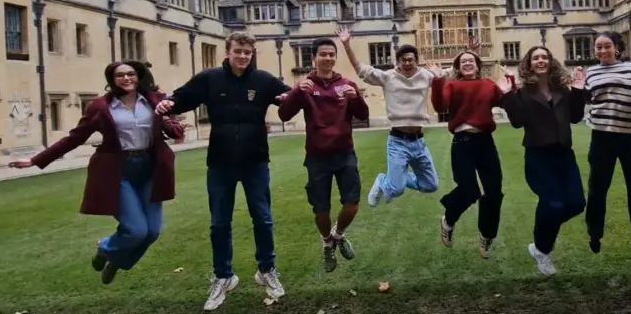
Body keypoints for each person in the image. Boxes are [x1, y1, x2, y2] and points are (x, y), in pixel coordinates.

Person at [9, 61, 184, 285]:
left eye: (131, 74)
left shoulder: (155, 100)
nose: (126, 78)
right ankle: (106, 248)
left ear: (138, 76)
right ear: (112, 80)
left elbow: (175, 128)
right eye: (120, 75)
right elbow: (75, 138)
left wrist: (168, 120)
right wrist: (35, 160)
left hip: (151, 169)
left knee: (152, 232)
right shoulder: (101, 107)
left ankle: (116, 260)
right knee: (136, 230)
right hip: (118, 171)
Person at [154, 31, 291, 311]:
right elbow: (182, 98)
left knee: (263, 219)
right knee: (219, 223)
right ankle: (223, 276)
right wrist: (168, 102)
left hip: (255, 161)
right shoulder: (210, 78)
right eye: (238, 51)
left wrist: (308, 92)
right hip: (219, 162)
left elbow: (289, 98)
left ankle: (267, 270)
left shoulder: (263, 80)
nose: (242, 56)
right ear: (227, 51)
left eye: (247, 52)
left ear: (253, 54)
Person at [277, 38, 369, 273]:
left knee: (352, 205)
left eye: (331, 54)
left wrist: (356, 97)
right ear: (314, 58)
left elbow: (362, 114)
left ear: (335, 57)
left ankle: (338, 235)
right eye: (323, 54)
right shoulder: (306, 86)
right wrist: (296, 92)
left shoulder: (346, 84)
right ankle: (327, 243)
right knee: (321, 210)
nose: (328, 58)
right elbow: (284, 115)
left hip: (345, 153)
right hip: (317, 157)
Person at [497, 46, 587, 276]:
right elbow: (517, 122)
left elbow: (576, 117)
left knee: (576, 203)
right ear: (529, 64)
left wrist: (578, 89)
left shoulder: (562, 90)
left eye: (544, 57)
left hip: (564, 154)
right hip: (538, 155)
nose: (541, 61)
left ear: (550, 61)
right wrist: (507, 95)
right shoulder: (522, 92)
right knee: (554, 203)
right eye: (536, 57)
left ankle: (540, 244)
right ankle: (543, 249)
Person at [577, 32, 631, 270]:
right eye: (598, 47)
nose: (602, 51)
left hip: (629, 137)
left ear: (617, 48)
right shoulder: (591, 73)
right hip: (601, 137)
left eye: (607, 46)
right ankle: (594, 231)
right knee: (597, 190)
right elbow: (586, 99)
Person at [335, 26, 440, 207]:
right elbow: (361, 70)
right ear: (398, 62)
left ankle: (394, 180)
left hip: (419, 142)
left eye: (411, 60)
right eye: (403, 60)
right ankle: (384, 181)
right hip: (398, 141)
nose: (407, 63)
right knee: (396, 190)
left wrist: (471, 54)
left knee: (430, 185)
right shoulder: (388, 77)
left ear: (416, 62)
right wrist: (346, 45)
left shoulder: (426, 76)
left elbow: (454, 73)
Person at [427, 42, 504, 259]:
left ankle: (487, 236)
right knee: (469, 190)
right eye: (463, 62)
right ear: (458, 68)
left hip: (485, 142)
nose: (468, 63)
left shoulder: (489, 85)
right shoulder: (452, 86)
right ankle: (448, 220)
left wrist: (511, 86)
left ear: (478, 66)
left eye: (471, 60)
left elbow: (506, 101)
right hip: (462, 141)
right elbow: (440, 106)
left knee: (494, 192)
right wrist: (437, 80)